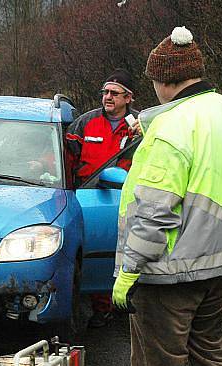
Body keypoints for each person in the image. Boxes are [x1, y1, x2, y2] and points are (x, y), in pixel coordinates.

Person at [112, 26, 222, 366]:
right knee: (214, 354)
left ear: (164, 79)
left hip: (168, 277)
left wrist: (128, 273)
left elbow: (153, 212)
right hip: (221, 264)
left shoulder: (171, 130)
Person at [66, 68, 140, 328]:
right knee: (95, 252)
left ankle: (124, 302)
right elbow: (67, 158)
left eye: (114, 93)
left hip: (130, 199)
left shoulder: (139, 128)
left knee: (127, 254)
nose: (107, 97)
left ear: (128, 98)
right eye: (105, 92)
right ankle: (101, 309)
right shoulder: (85, 123)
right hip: (91, 198)